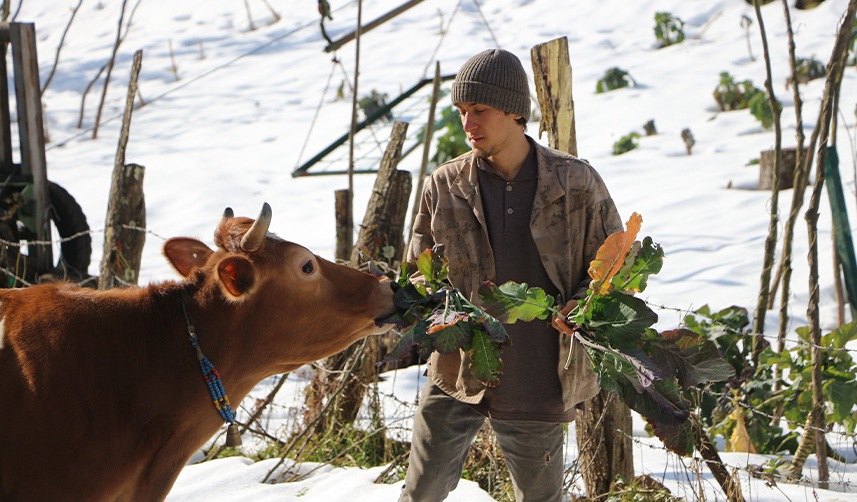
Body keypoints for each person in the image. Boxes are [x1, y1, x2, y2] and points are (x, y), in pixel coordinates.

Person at [399, 48, 624, 502]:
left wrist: (583, 306)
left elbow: (613, 266)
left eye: (479, 109)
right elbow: (418, 275)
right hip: (457, 373)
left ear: (515, 110)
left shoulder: (575, 183)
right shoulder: (443, 186)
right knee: (419, 495)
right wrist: (445, 314)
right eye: (462, 111)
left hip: (539, 380)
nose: (468, 124)